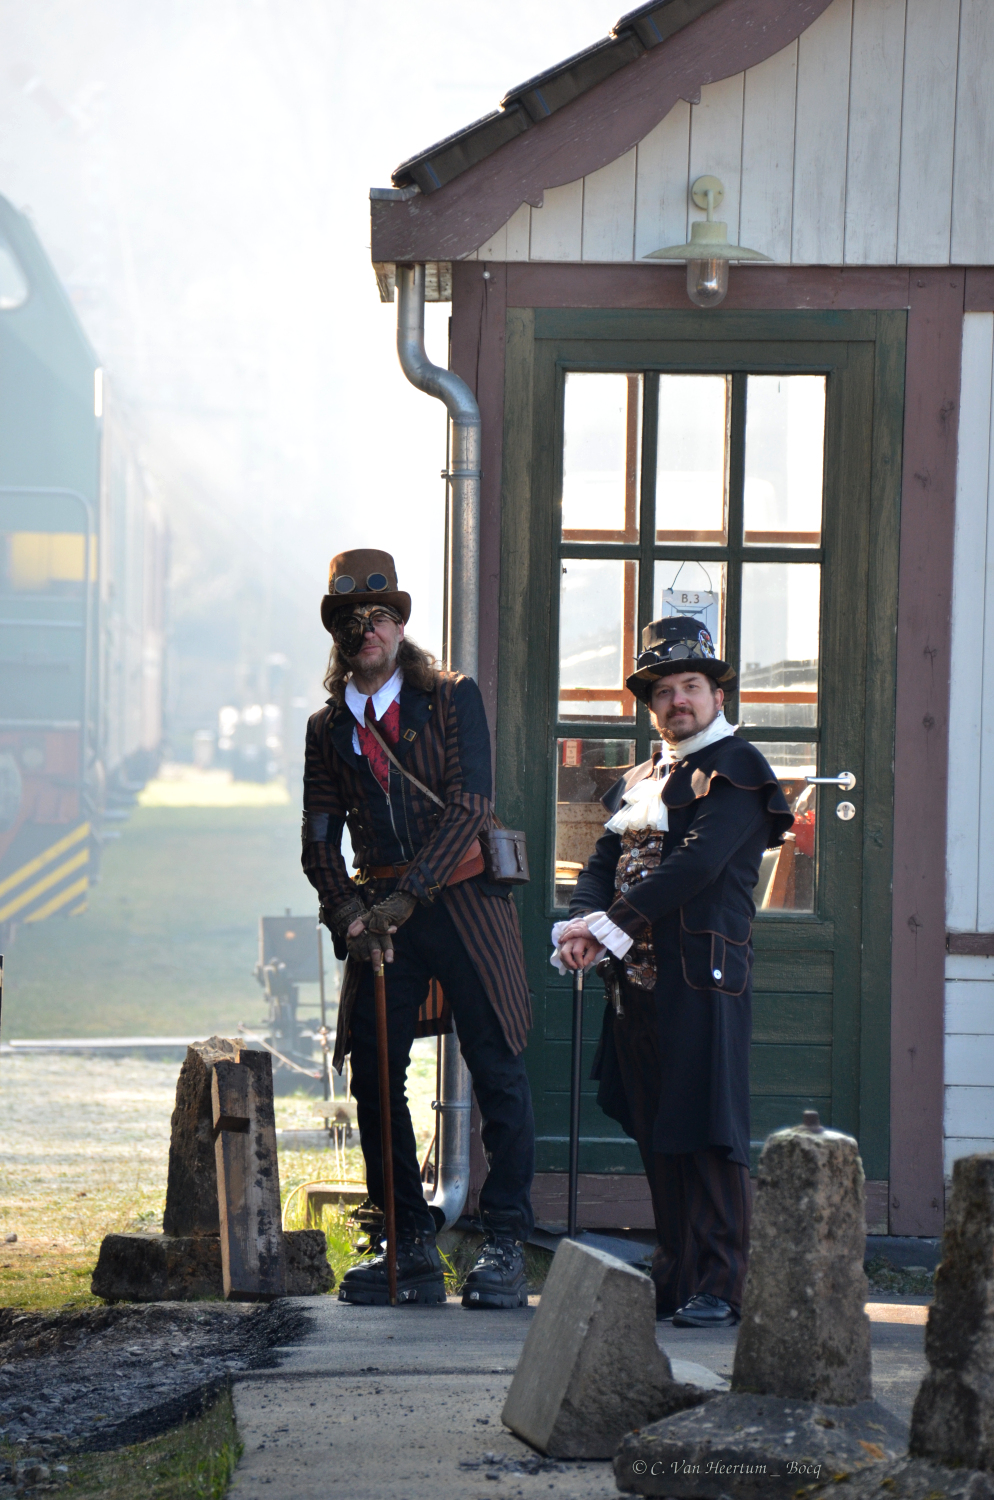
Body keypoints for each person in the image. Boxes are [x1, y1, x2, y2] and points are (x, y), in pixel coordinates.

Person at [301, 548, 535, 1309]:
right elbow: (317, 839)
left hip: (463, 898)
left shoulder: (451, 696)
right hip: (379, 919)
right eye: (348, 619)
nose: (363, 630)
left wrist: (414, 895)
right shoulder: (328, 728)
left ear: (401, 624)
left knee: (497, 1062)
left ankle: (503, 1240)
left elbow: (471, 804)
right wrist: (350, 915)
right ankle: (406, 1245)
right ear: (336, 634)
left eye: (377, 616)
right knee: (373, 1072)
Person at [554, 617, 793, 1328]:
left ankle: (721, 1283)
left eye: (691, 686)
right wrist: (579, 924)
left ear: (717, 694)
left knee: (710, 1133)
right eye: (664, 691)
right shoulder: (641, 778)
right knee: (659, 1131)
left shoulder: (740, 769)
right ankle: (676, 1274)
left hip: (703, 980)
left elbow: (697, 866)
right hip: (634, 987)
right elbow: (601, 865)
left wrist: (608, 927)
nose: (677, 701)